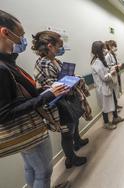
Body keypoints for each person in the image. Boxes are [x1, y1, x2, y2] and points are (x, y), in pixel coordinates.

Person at [0, 10, 69, 188]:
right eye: (21, 35)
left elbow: (20, 93)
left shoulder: (7, 62)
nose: (23, 41)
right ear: (5, 33)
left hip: (25, 130)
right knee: (44, 172)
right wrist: (47, 95)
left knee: (32, 168)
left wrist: (42, 91)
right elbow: (5, 113)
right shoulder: (2, 68)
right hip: (25, 126)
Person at [32, 31, 88, 169]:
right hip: (60, 104)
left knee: (74, 122)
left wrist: (73, 78)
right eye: (59, 45)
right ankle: (70, 158)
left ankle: (78, 141)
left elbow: (61, 78)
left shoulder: (55, 61)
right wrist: (70, 82)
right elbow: (53, 87)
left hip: (68, 99)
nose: (61, 48)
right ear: (50, 46)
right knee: (67, 132)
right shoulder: (44, 63)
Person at [91, 41, 124, 129]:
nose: (105, 50)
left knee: (112, 102)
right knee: (105, 107)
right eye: (103, 49)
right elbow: (104, 77)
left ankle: (115, 118)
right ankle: (106, 123)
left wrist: (112, 69)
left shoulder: (101, 60)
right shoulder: (97, 62)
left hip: (108, 86)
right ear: (98, 50)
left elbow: (106, 70)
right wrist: (112, 72)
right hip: (102, 89)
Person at [105, 40, 124, 112]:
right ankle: (114, 109)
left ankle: (116, 105)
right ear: (109, 46)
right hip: (112, 77)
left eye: (115, 46)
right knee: (113, 93)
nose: (115, 47)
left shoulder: (114, 55)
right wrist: (116, 66)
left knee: (116, 92)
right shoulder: (107, 56)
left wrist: (119, 65)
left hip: (117, 74)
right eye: (114, 46)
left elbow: (117, 62)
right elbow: (108, 68)